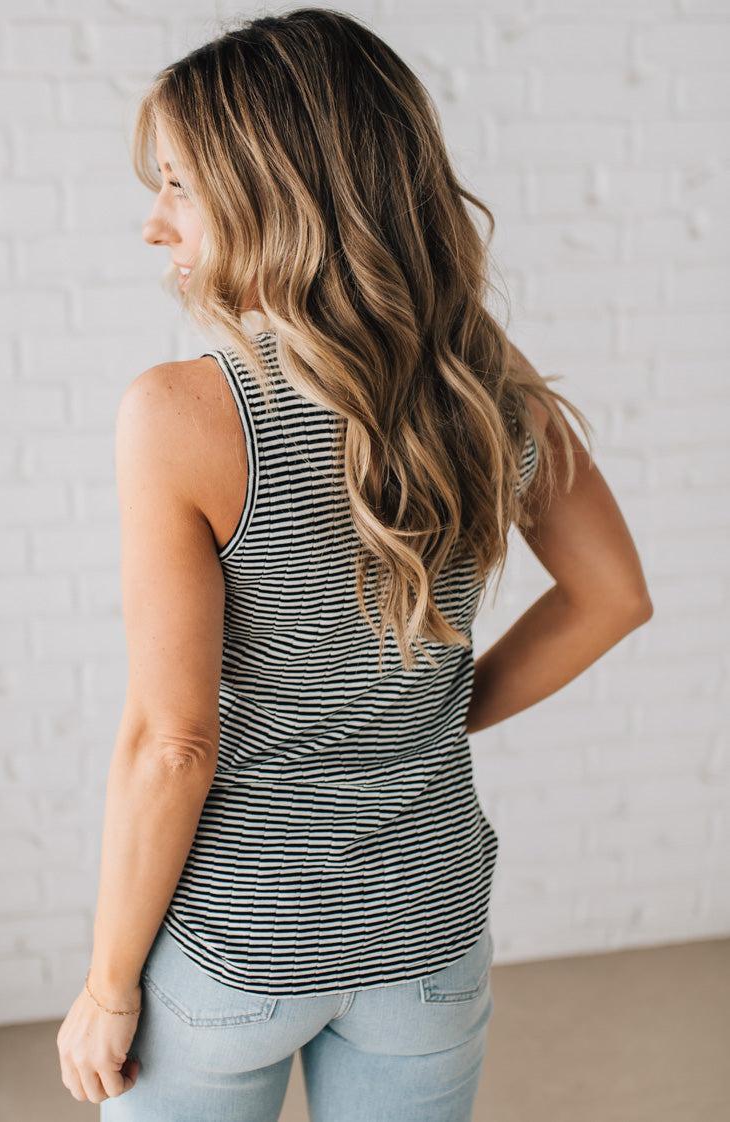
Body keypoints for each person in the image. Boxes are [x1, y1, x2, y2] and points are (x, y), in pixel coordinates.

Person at [55, 8, 653, 1120]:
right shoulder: (484, 375)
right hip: (427, 938)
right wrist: (422, 718)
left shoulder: (183, 412)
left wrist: (103, 987)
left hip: (238, 953)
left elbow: (172, 743)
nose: (153, 224)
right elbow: (613, 596)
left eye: (180, 184)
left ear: (274, 187)